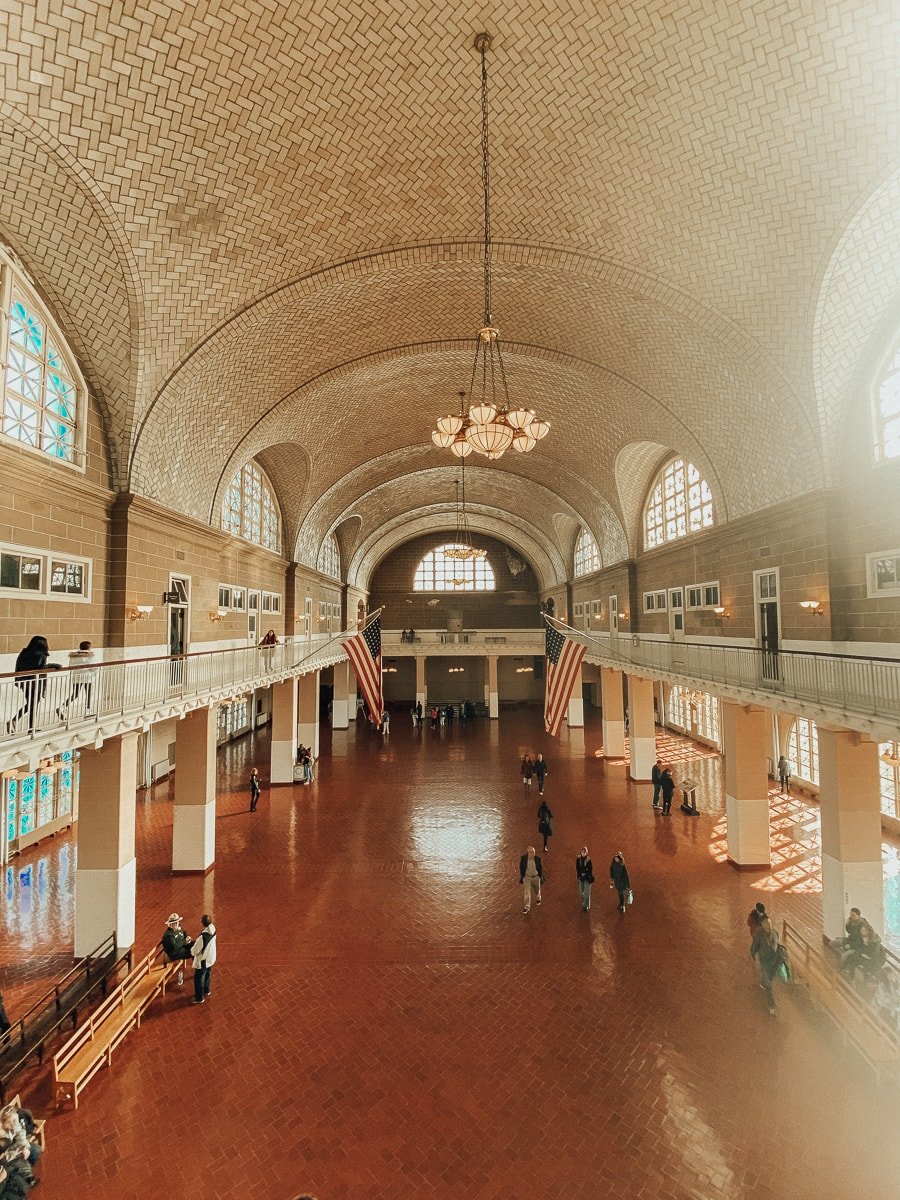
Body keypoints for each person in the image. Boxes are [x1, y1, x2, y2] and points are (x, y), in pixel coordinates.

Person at [7, 636, 62, 734]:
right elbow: (40, 668)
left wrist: (17, 680)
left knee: (31, 704)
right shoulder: (41, 654)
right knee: (33, 705)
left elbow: (18, 666)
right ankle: (28, 726)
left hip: (25, 681)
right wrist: (53, 665)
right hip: (35, 682)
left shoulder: (25, 652)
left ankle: (22, 723)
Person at [56, 639, 96, 720]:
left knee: (75, 694)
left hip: (76, 677)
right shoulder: (89, 656)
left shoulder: (74, 656)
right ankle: (87, 711)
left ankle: (62, 707)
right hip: (87, 677)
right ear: (89, 648)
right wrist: (94, 671)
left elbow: (70, 666)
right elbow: (93, 667)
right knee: (88, 694)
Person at [750, 914, 780, 1014]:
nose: (769, 925)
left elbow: (777, 945)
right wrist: (754, 956)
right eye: (766, 923)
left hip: (774, 961)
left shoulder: (774, 933)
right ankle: (771, 1005)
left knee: (770, 977)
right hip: (765, 961)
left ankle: (764, 981)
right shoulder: (758, 935)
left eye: (770, 922)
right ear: (762, 925)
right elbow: (754, 947)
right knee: (768, 984)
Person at [160, 913, 194, 986]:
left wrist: (187, 937)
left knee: (195, 945)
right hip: (174, 953)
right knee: (193, 951)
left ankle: (198, 965)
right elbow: (175, 946)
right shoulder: (169, 935)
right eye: (175, 923)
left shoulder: (178, 928)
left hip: (182, 947)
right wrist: (185, 941)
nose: (177, 924)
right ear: (170, 924)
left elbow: (184, 932)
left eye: (177, 922)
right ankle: (198, 968)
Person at [191, 913, 217, 1005]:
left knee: (199, 978)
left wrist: (191, 947)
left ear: (202, 923)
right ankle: (206, 990)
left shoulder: (202, 937)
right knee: (208, 974)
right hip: (211, 957)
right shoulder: (213, 929)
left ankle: (199, 998)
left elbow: (195, 951)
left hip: (203, 961)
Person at [518, 846, 545, 914]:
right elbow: (521, 868)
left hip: (536, 877)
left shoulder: (538, 859)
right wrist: (523, 877)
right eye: (531, 852)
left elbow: (540, 868)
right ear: (528, 853)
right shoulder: (523, 859)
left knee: (537, 889)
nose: (533, 853)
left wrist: (539, 876)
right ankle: (526, 907)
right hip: (527, 877)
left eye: (533, 852)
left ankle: (538, 897)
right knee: (527, 892)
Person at [575, 846, 594, 911]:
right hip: (580, 878)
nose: (583, 853)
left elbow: (590, 870)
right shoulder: (578, 858)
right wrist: (579, 876)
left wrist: (585, 874)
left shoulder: (588, 859)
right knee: (581, 890)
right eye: (582, 852)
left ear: (586, 853)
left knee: (587, 892)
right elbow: (577, 868)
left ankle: (586, 905)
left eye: (584, 852)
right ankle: (583, 899)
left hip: (587, 878)